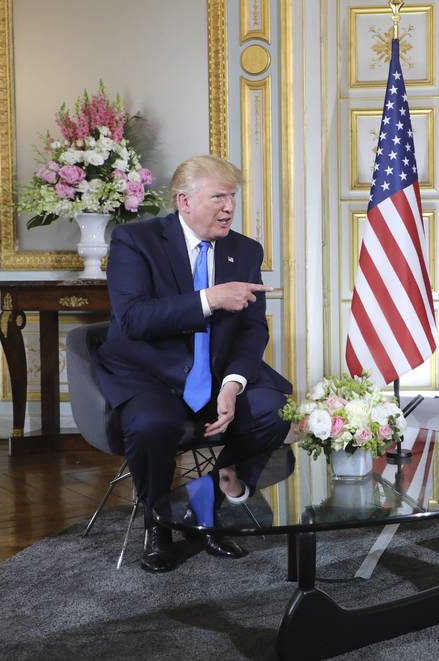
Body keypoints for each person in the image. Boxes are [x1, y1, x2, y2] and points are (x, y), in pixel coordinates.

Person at [95, 154, 292, 573]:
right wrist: (210, 299)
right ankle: (158, 523)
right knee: (152, 425)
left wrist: (233, 384)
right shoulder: (135, 241)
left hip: (216, 374)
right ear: (184, 201)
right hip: (150, 373)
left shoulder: (244, 250)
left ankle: (213, 505)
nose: (229, 207)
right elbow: (133, 319)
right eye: (218, 196)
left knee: (273, 412)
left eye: (233, 197)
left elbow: (252, 330)